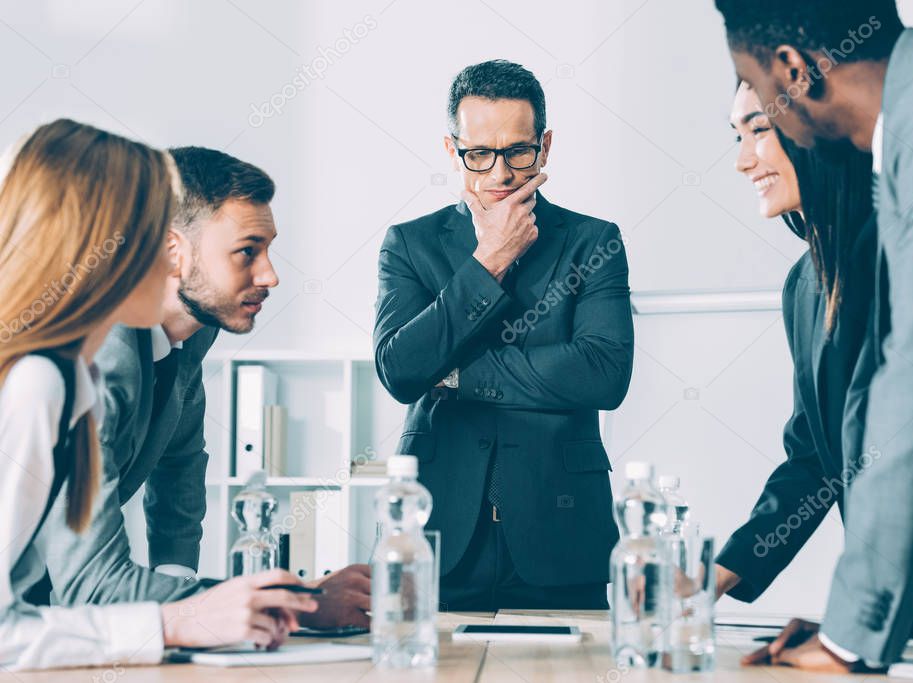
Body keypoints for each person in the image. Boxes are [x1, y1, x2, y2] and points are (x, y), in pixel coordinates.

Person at [715, 0, 913, 670]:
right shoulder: (909, 145)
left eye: (760, 106)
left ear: (792, 69)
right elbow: (830, 448)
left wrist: (848, 637)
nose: (743, 158)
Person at [0, 119, 316, 672]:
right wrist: (185, 620)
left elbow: (179, 466)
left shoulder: (67, 374)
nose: (168, 257)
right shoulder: (41, 381)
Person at [38, 146, 371, 629]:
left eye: (268, 249)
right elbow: (93, 586)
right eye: (246, 252)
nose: (270, 275)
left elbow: (179, 459)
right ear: (174, 252)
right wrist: (302, 602)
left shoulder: (190, 331)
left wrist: (181, 593)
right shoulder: (95, 355)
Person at [373, 59, 633, 610]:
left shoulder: (593, 242)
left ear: (545, 146)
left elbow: (604, 374)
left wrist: (458, 374)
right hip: (436, 532)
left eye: (519, 151)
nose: (500, 174)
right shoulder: (409, 244)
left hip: (561, 531)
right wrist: (489, 260)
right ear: (452, 151)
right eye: (479, 155)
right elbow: (400, 370)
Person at [715, 82, 876, 613]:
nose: (743, 161)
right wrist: (714, 575)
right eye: (738, 135)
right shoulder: (804, 283)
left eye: (759, 129)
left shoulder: (906, 251)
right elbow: (815, 457)